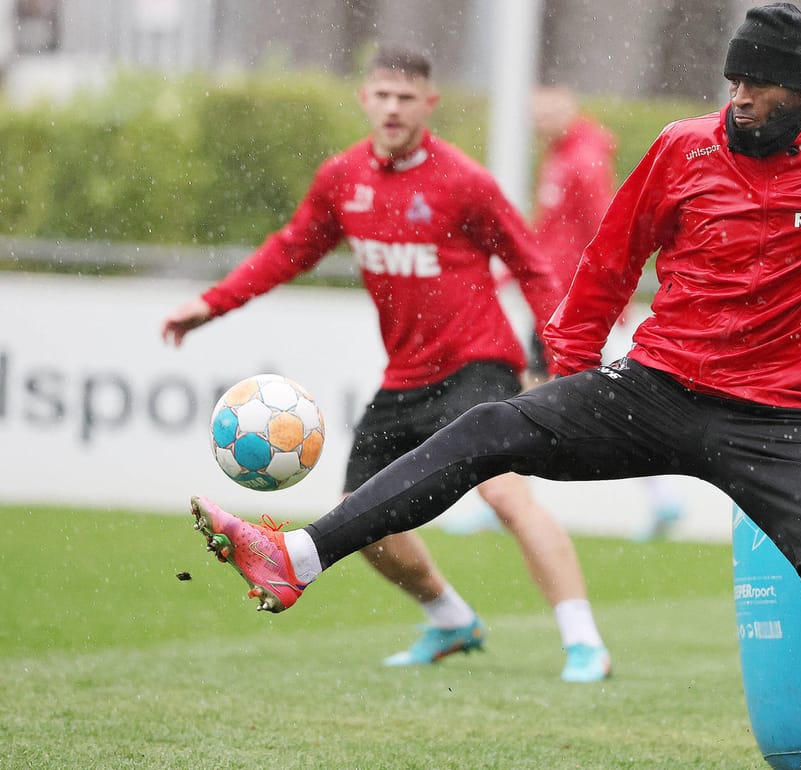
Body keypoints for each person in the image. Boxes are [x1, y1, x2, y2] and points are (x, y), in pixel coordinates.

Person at [184, 7, 801, 769]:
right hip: (655, 386)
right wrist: (567, 374)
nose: (737, 103)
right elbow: (610, 266)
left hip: (779, 427)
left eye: (757, 91)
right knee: (491, 426)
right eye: (731, 86)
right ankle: (299, 556)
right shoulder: (682, 150)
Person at [162, 46, 611, 683]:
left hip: (477, 364)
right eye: (383, 95)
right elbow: (290, 251)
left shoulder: (465, 182)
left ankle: (584, 641)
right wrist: (211, 305)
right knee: (361, 515)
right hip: (403, 377)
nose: (394, 107)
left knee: (506, 494)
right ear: (365, 100)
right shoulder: (343, 179)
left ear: (429, 103)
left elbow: (534, 266)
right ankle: (452, 620)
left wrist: (564, 354)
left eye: (407, 97)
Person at [528, 83, 686, 541]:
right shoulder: (560, 153)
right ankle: (661, 495)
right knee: (542, 392)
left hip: (573, 304)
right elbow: (552, 227)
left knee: (593, 397)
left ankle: (508, 496)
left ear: (570, 108)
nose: (540, 120)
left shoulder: (583, 157)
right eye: (535, 112)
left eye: (549, 109)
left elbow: (607, 225)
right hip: (556, 297)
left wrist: (612, 295)